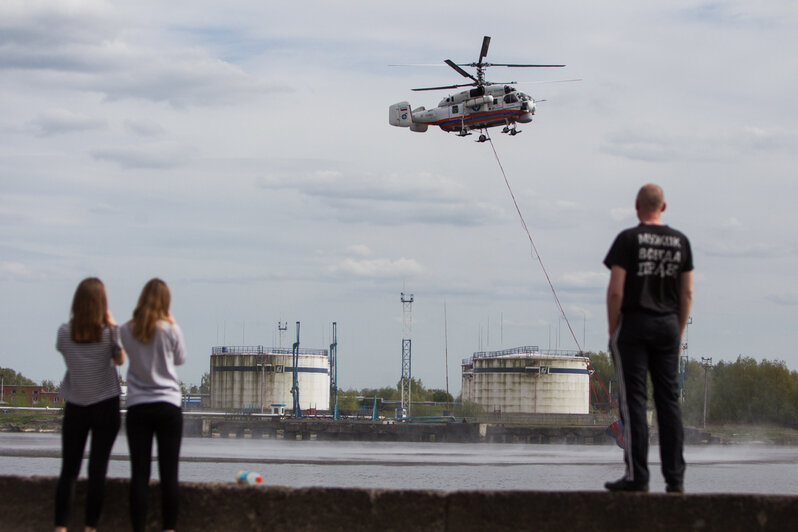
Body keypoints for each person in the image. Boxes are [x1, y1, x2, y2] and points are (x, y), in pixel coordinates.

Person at [603, 183, 693, 493]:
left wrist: (613, 330)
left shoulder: (627, 240)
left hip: (635, 325)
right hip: (668, 325)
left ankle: (638, 476)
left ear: (636, 205)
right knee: (668, 402)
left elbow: (616, 290)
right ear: (663, 207)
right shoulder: (681, 242)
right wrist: (677, 331)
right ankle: (676, 479)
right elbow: (687, 292)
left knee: (635, 403)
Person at [55, 278, 125, 532]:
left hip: (76, 404)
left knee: (69, 471)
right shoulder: (109, 334)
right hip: (105, 405)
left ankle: (60, 527)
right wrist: (112, 324)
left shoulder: (65, 332)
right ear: (102, 303)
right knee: (98, 470)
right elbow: (120, 359)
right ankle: (90, 527)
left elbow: (64, 351)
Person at [120, 279, 186, 532]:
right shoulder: (170, 329)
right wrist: (173, 322)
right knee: (169, 474)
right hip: (168, 405)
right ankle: (168, 529)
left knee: (139, 474)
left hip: (138, 405)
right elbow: (180, 358)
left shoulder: (126, 330)